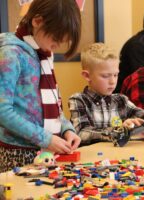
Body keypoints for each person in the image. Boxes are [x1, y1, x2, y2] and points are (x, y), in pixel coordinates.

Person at [0, 0, 81, 172]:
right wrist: (46, 138)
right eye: (56, 39)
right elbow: (2, 111)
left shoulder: (43, 52)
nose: (57, 46)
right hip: (17, 153)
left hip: (46, 149)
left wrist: (67, 129)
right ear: (37, 21)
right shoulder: (10, 53)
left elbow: (53, 100)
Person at [68, 43, 144, 146]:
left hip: (117, 158)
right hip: (91, 158)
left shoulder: (120, 100)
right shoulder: (78, 100)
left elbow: (141, 114)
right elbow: (81, 133)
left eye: (115, 75)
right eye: (106, 76)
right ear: (87, 76)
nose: (112, 81)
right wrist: (117, 130)